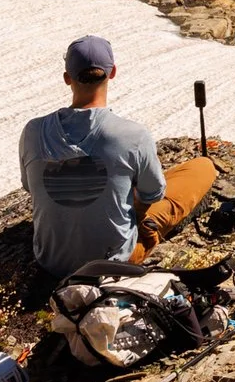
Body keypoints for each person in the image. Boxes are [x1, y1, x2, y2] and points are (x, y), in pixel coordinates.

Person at [20, 36, 217, 277]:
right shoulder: (132, 135)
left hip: (51, 262)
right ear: (112, 72)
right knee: (202, 167)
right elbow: (152, 194)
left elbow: (31, 187)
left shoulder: (33, 131)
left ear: (67, 78)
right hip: (112, 263)